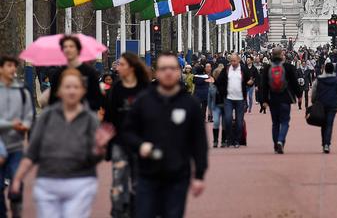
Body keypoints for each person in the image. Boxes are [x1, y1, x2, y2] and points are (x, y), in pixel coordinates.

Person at [11, 68, 114, 218]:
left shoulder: (90, 119)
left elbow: (94, 157)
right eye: (67, 87)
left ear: (82, 91)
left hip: (80, 183)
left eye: (76, 87)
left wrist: (100, 147)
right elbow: (32, 151)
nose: (71, 91)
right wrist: (18, 178)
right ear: (58, 91)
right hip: (48, 183)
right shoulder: (47, 116)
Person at [122, 52, 207, 218]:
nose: (168, 72)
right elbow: (127, 131)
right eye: (163, 68)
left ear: (179, 71)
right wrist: (140, 145)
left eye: (172, 68)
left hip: (177, 174)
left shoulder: (190, 104)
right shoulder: (143, 100)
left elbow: (199, 142)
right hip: (147, 174)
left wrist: (199, 175)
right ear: (157, 73)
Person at [103, 53, 150, 218]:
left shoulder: (144, 87)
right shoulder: (116, 88)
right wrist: (107, 145)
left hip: (140, 143)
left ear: (131, 67)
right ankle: (118, 210)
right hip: (119, 143)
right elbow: (109, 117)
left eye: (121, 64)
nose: (118, 67)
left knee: (139, 181)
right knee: (118, 181)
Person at [0, 55, 33, 218]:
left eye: (14, 66)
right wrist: (10, 124)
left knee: (16, 181)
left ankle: (16, 210)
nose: (12, 69)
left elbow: (28, 113)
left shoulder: (22, 90)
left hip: (16, 145)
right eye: (8, 65)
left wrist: (26, 125)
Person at [259, 47, 300, 154]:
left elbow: (263, 86)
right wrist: (299, 95)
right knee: (285, 122)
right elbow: (294, 83)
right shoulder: (287, 67)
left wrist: (264, 100)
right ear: (282, 55)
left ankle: (275, 144)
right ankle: (281, 141)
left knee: (275, 123)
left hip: (272, 99)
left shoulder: (267, 68)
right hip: (285, 98)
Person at [47, 35, 102, 111]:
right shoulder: (58, 73)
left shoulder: (90, 72)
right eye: (65, 47)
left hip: (86, 117)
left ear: (78, 49)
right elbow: (52, 100)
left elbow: (97, 99)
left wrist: (81, 106)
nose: (68, 49)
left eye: (71, 46)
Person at [216, 54, 253, 148]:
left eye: (234, 61)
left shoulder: (243, 69)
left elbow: (249, 80)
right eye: (231, 61)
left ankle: (237, 140)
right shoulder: (227, 69)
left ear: (238, 60)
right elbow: (219, 82)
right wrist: (223, 92)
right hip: (228, 98)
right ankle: (229, 138)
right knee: (227, 119)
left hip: (240, 99)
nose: (233, 63)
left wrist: (249, 83)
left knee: (239, 121)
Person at [310, 62, 337, 153]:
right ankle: (327, 144)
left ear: (324, 69)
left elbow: (314, 91)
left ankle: (324, 143)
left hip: (321, 103)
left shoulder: (318, 79)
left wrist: (313, 101)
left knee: (323, 124)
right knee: (329, 124)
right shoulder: (336, 80)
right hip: (332, 104)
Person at [210, 64, 226, 148]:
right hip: (216, 106)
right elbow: (209, 99)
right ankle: (215, 140)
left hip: (226, 106)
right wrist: (209, 111)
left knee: (224, 124)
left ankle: (224, 140)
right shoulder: (212, 86)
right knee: (216, 122)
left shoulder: (227, 84)